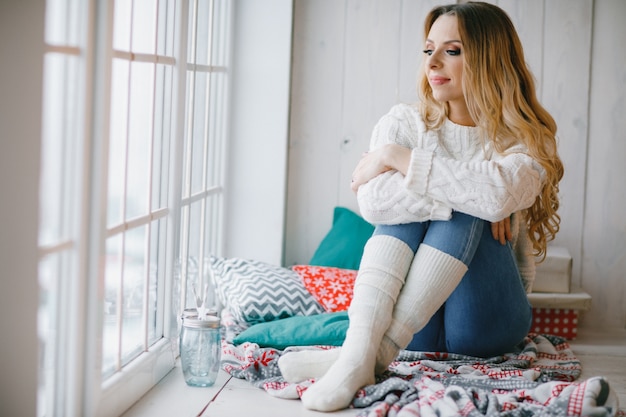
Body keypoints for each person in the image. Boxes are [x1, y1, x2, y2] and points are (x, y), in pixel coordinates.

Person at [278, 1, 564, 412]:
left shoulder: (523, 136)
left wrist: (398, 158)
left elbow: (498, 194)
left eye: (453, 50)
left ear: (489, 58)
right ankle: (362, 355)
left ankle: (360, 357)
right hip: (416, 333)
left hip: (485, 323)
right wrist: (473, 188)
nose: (434, 61)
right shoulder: (403, 123)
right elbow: (375, 204)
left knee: (470, 207)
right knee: (449, 201)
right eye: (429, 49)